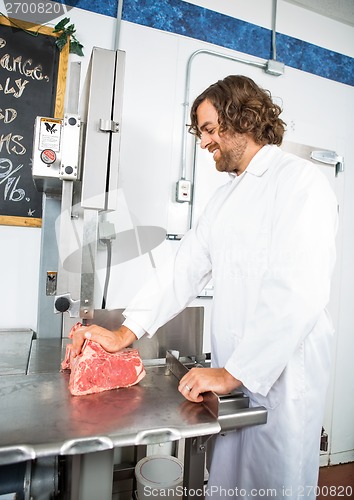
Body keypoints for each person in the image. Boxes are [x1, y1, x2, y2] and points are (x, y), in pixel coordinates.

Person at [71, 75, 338, 499]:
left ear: (245, 120)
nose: (204, 143)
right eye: (201, 132)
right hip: (238, 375)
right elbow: (183, 269)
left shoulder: (299, 183)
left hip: (285, 380)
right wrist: (126, 331)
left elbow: (298, 289)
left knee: (276, 485)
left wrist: (234, 373)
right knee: (230, 483)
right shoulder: (225, 201)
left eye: (211, 130)